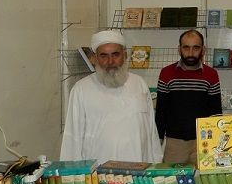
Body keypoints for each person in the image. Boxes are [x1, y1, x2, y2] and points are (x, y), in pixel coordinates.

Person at [60, 30, 162, 164]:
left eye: (115, 54)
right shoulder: (81, 89)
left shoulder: (139, 84)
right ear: (95, 58)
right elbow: (72, 139)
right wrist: (72, 172)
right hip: (99, 171)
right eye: (104, 55)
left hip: (139, 169)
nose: (110, 61)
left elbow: (151, 131)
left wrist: (155, 165)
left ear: (125, 55)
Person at [156, 29, 222, 164]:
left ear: (203, 50)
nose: (191, 53)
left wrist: (217, 141)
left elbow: (215, 112)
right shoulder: (166, 73)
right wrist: (157, 140)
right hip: (175, 144)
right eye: (186, 47)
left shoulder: (211, 74)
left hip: (204, 142)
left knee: (203, 177)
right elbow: (161, 110)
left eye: (196, 48)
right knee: (172, 177)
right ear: (179, 49)